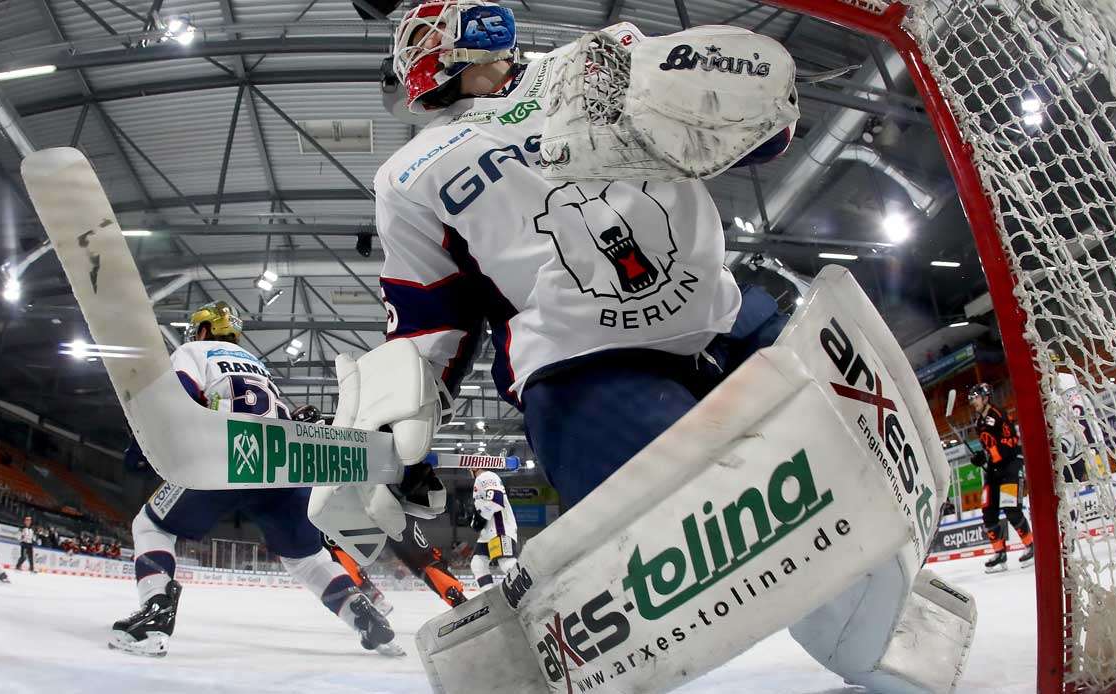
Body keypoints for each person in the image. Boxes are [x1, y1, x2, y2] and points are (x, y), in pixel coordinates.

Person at [376, 0, 794, 508]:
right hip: (583, 367)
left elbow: (760, 134)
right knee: (680, 521)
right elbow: (430, 316)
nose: (419, 41)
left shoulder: (599, 55)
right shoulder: (410, 170)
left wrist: (740, 97)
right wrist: (402, 426)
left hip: (727, 321)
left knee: (847, 474)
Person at [110, 301, 400, 657]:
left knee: (151, 526)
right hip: (281, 466)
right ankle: (366, 618)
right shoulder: (257, 366)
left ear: (203, 330)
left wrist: (145, 444)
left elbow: (179, 398)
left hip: (224, 456)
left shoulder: (192, 350)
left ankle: (155, 614)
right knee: (308, 559)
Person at [968, 383, 1034, 572]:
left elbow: (1011, 441)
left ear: (986, 397)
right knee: (988, 510)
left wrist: (996, 455)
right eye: (971, 398)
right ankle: (1000, 553)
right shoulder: (978, 422)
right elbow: (987, 447)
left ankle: (1031, 545)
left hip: (1010, 467)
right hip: (993, 471)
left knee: (1011, 509)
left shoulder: (998, 414)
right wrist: (981, 457)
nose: (973, 401)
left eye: (976, 397)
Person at [467, 471, 517, 589]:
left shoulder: (486, 476)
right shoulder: (482, 478)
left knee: (506, 563)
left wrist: (480, 516)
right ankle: (489, 596)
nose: (469, 470)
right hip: (489, 531)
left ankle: (533, 589)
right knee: (478, 563)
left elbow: (496, 500)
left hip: (499, 528)